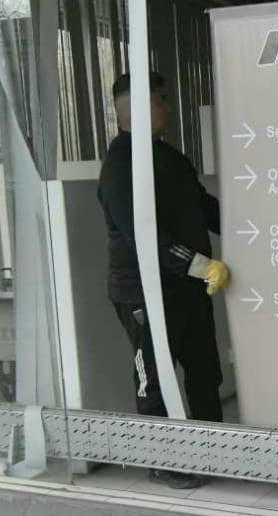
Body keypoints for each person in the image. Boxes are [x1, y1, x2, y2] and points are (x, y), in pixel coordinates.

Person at [98, 71, 231, 489]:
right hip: (144, 293)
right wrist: (199, 264)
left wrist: (251, 225)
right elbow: (144, 235)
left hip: (187, 288)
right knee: (155, 380)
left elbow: (203, 207)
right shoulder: (120, 164)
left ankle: (216, 451)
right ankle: (163, 462)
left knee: (205, 372)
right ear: (137, 107)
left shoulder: (168, 158)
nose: (168, 107)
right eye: (161, 100)